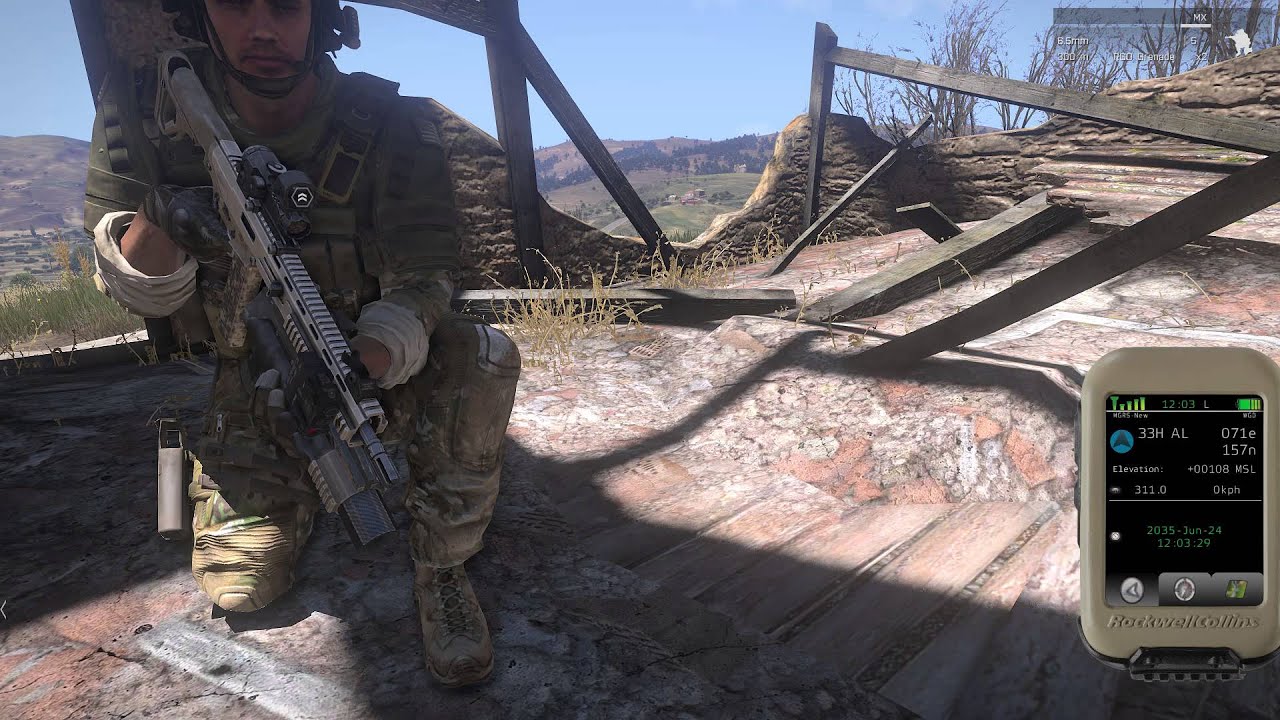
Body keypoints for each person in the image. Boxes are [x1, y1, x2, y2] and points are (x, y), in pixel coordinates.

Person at [87, 0, 521, 688]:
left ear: (323, 18)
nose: (262, 28)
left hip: (366, 367)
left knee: (486, 354)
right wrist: (159, 214)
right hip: (254, 374)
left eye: (287, 6)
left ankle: (444, 564)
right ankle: (254, 476)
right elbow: (142, 294)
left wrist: (361, 363)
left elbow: (426, 278)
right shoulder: (146, 115)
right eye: (236, 3)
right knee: (240, 589)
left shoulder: (387, 123)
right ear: (199, 13)